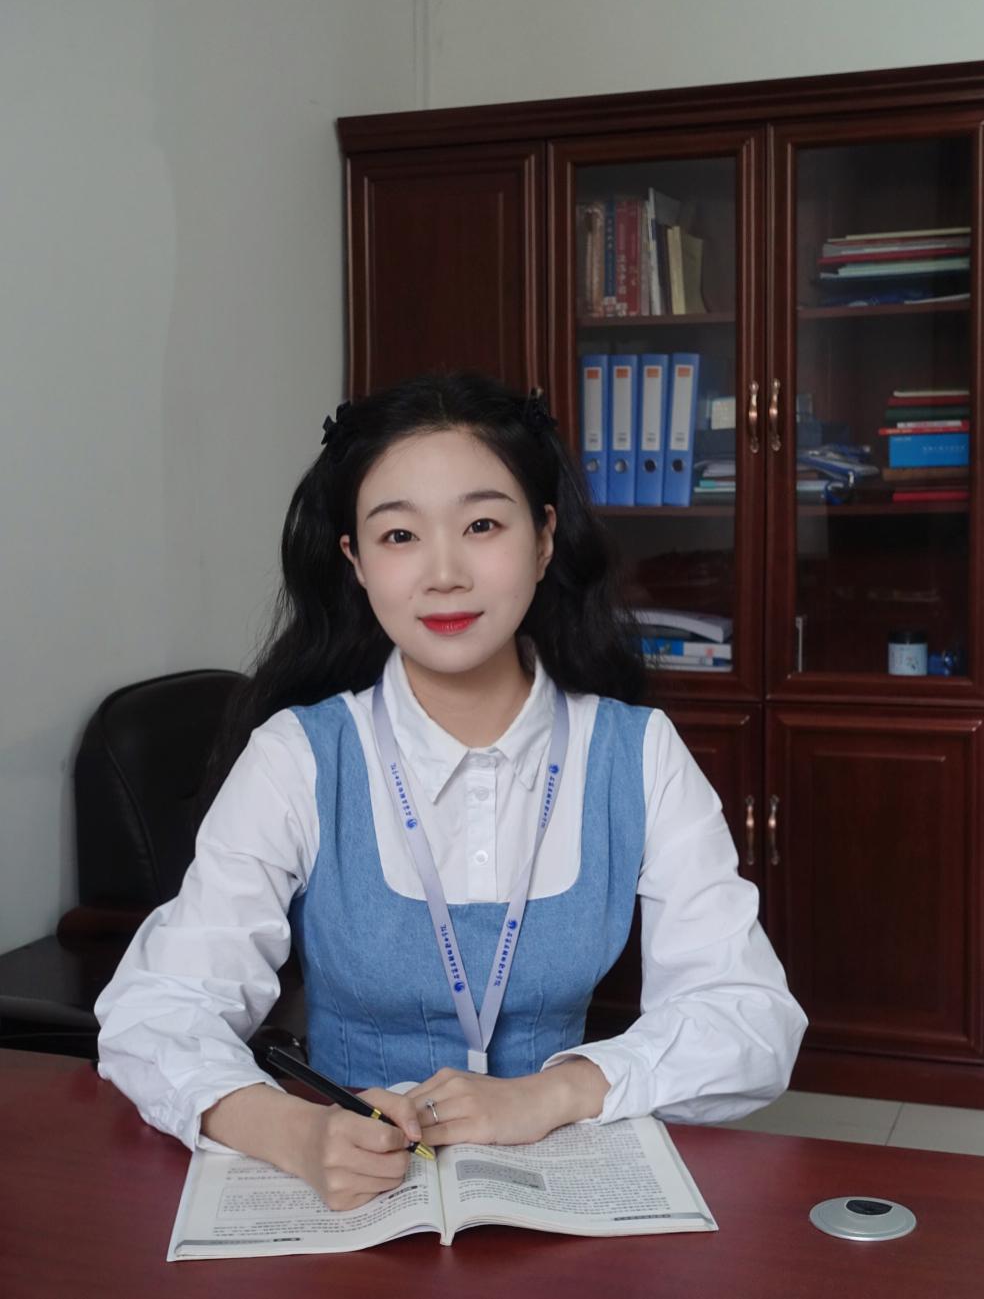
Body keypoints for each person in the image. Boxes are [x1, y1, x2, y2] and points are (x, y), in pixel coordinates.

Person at [96, 371, 806, 1212]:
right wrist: (294, 1130)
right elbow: (156, 1008)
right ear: (356, 562)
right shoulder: (298, 757)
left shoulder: (637, 752)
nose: (443, 573)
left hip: (558, 1187)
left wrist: (553, 1092)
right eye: (399, 535)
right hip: (353, 1200)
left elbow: (751, 1017)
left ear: (543, 539)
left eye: (481, 525)